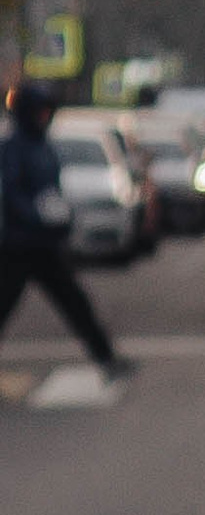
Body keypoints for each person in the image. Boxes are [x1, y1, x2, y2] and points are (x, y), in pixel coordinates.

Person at [0, 81, 125, 376]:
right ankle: (105, 357)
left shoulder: (44, 146)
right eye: (38, 112)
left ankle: (106, 358)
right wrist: (35, 216)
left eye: (47, 112)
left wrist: (60, 218)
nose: (44, 117)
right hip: (18, 245)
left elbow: (52, 191)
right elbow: (11, 193)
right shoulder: (14, 149)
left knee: (75, 303)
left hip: (45, 245)